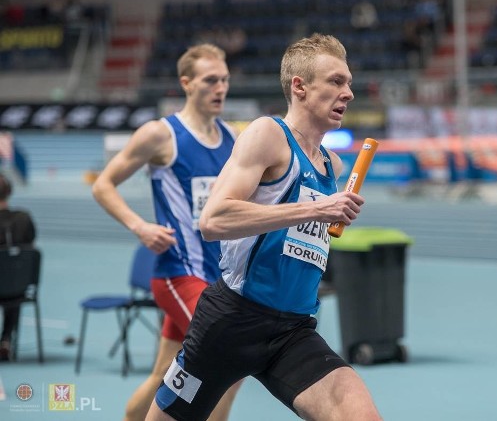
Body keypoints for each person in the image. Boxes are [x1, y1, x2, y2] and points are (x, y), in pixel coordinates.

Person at [146, 33, 382, 421]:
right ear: (300, 87)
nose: (349, 93)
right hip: (231, 323)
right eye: (337, 81)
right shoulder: (268, 135)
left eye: (350, 83)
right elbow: (213, 220)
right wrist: (313, 210)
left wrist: (322, 213)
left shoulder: (332, 167)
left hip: (293, 330)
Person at [92, 43, 242, 421]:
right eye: (211, 80)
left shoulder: (232, 140)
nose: (220, 87)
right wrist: (139, 226)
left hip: (217, 278)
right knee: (229, 354)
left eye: (224, 79)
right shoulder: (161, 135)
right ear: (187, 83)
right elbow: (103, 185)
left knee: (164, 373)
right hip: (178, 273)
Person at [0, 172, 36, 361]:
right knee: (13, 277)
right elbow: (31, 244)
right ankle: (6, 339)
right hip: (18, 287)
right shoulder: (24, 218)